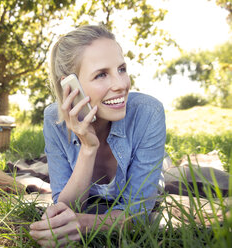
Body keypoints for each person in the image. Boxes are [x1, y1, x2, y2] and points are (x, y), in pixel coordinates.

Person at [29, 24, 166, 247]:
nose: (121, 84)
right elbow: (64, 208)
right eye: (101, 74)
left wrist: (84, 224)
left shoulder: (149, 113)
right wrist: (88, 148)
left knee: (162, 171)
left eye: (122, 69)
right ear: (70, 86)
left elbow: (138, 215)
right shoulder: (54, 120)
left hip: (154, 168)